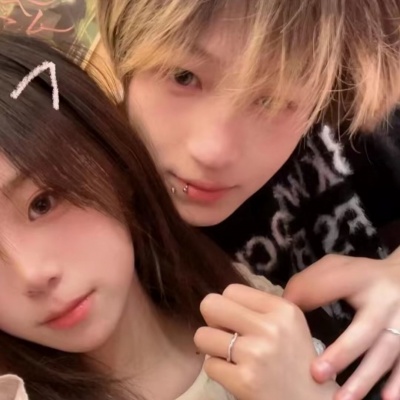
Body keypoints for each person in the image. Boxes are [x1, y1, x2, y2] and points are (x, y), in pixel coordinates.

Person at [0, 33, 337, 400]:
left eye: (43, 203)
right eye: (184, 77)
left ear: (114, 165)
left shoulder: (252, 305)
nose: (32, 274)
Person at [96, 1, 400, 399]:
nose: (213, 151)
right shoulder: (93, 226)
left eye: (271, 100)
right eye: (183, 76)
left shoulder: (349, 119)